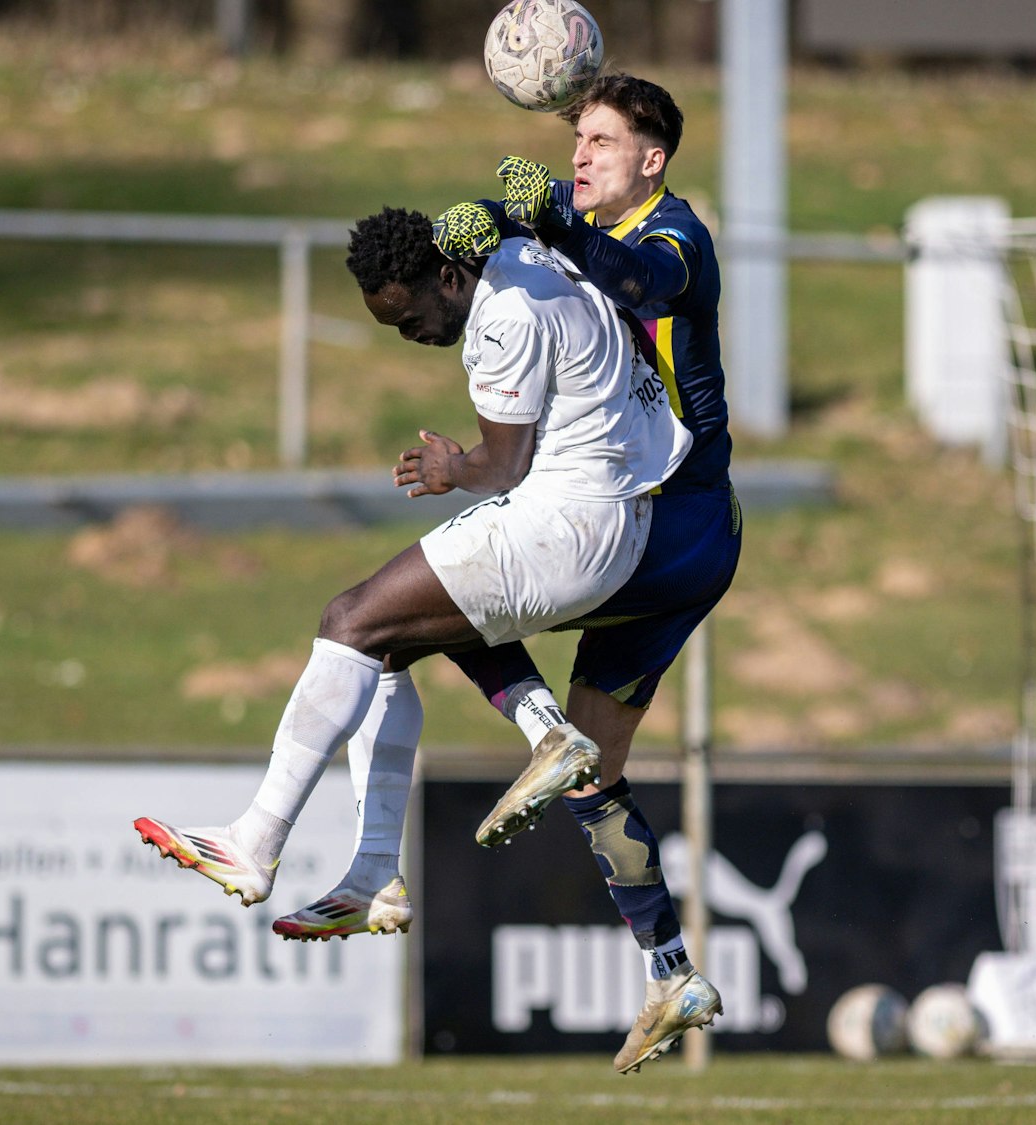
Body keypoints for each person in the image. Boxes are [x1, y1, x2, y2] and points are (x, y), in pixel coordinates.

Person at [279, 74, 738, 1075]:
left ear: (651, 159)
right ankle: (670, 971)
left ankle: (415, 827)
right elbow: (520, 220)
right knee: (593, 777)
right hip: (671, 535)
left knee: (434, 604)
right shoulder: (576, 216)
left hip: (672, 520)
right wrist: (484, 214)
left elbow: (641, 285)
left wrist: (547, 221)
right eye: (577, 139)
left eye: (601, 141)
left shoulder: (674, 236)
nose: (581, 155)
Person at [133, 204, 691, 956]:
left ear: (450, 276)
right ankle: (378, 872)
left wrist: (449, 468)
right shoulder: (524, 257)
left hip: (567, 527)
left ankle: (254, 841)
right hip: (613, 519)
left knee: (349, 620)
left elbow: (503, 467)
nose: (411, 336)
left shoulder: (503, 319)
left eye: (409, 318)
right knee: (393, 642)